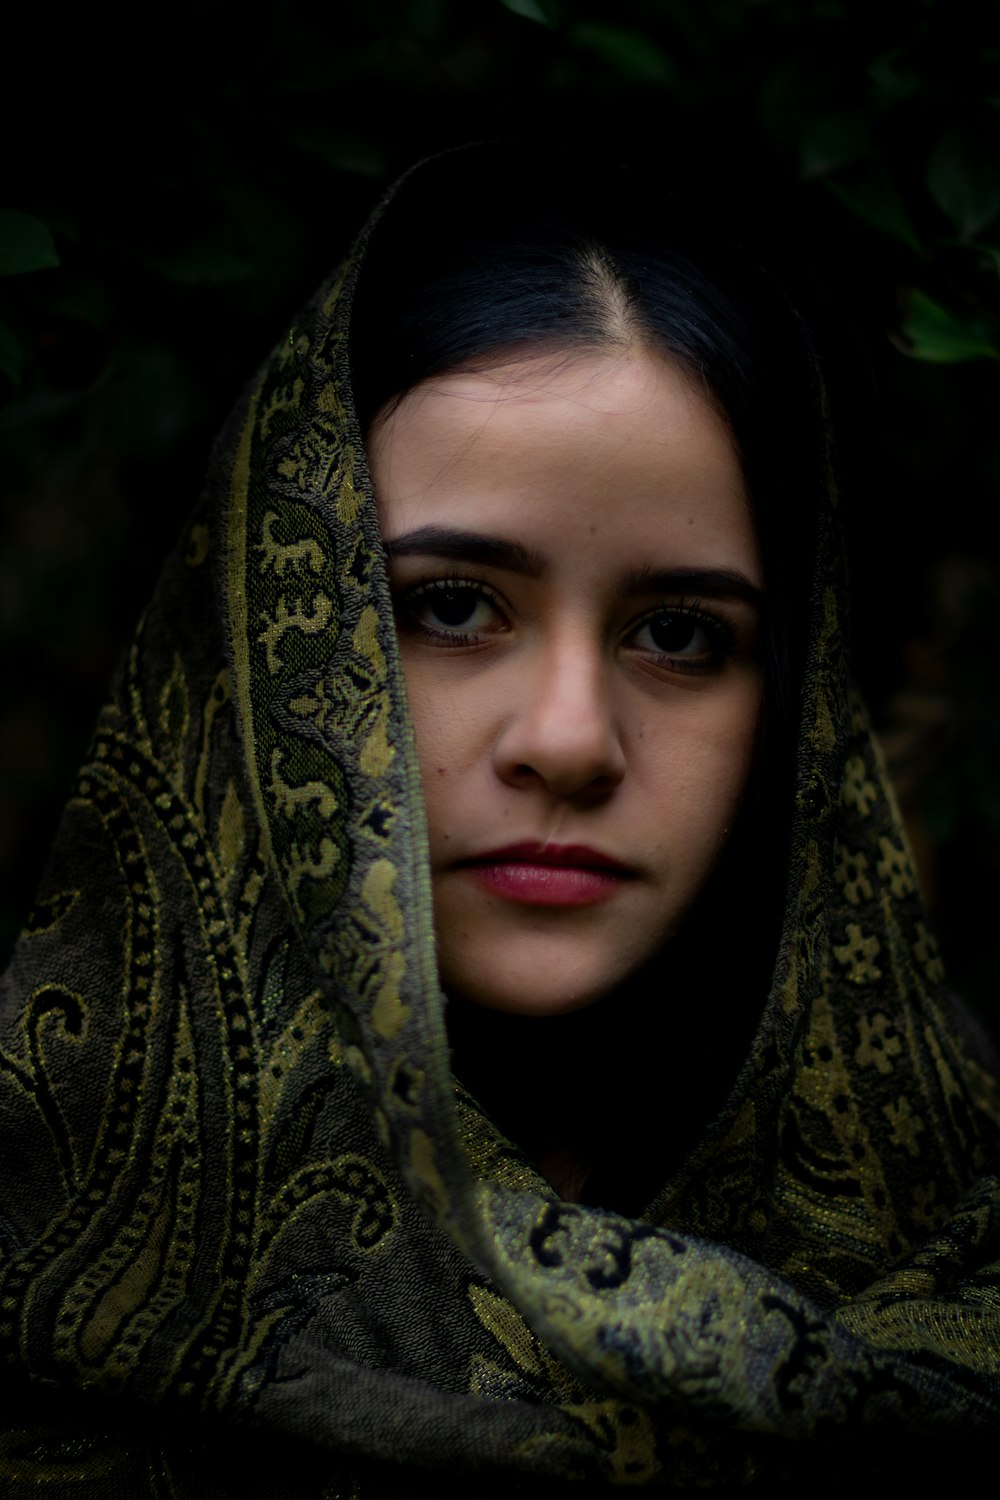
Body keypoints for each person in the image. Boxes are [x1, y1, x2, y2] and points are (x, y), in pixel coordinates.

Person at [1, 143, 999, 1494]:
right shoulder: (32, 1250)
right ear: (274, 632)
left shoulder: (953, 1266)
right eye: (453, 606)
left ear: (797, 713)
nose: (570, 741)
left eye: (682, 634)